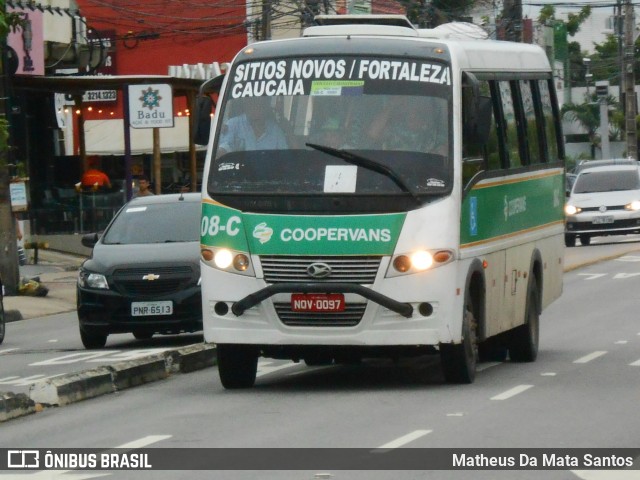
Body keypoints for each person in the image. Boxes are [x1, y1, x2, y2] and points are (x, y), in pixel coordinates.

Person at [217, 96, 288, 155]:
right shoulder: (234, 124)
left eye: (259, 102)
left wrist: (289, 130)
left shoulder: (275, 130)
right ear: (245, 104)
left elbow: (285, 157)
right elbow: (224, 147)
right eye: (251, 101)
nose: (255, 106)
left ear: (266, 105)